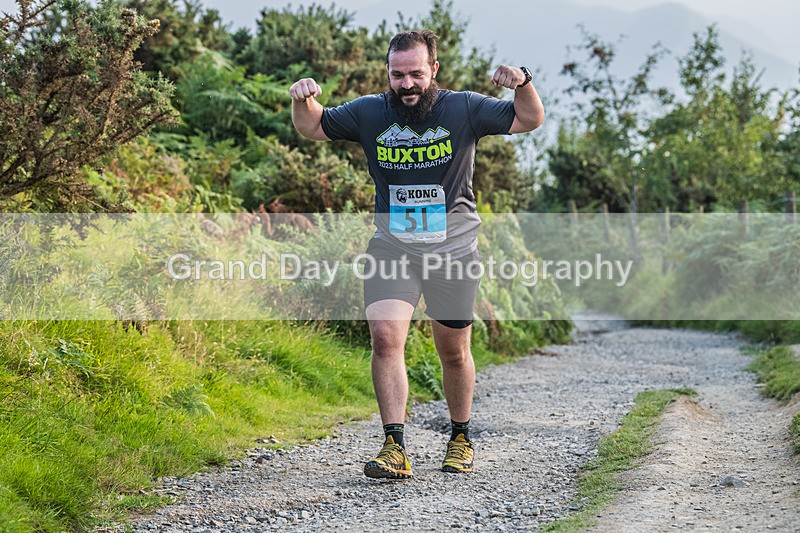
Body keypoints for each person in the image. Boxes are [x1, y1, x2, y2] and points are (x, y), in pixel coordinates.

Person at [289, 29, 544, 479]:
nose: (407, 84)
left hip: (453, 250)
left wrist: (523, 82)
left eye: (416, 74)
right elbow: (312, 126)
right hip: (393, 247)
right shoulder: (370, 111)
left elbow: (529, 120)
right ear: (387, 73)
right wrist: (302, 98)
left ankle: (460, 437)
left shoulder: (464, 107)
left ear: (434, 71)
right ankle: (394, 445)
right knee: (386, 337)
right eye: (397, 75)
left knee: (454, 351)